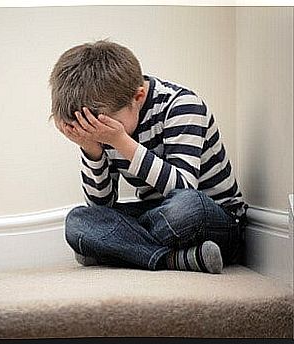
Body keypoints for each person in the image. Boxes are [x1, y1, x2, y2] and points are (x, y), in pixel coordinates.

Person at [48, 39, 249, 274]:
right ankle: (174, 260)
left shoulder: (182, 104)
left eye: (103, 129)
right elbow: (102, 206)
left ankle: (118, 249)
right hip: (158, 215)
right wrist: (92, 149)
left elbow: (184, 188)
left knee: (187, 208)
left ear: (138, 97)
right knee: (78, 222)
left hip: (211, 215)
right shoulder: (104, 130)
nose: (100, 135)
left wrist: (120, 140)